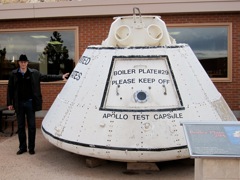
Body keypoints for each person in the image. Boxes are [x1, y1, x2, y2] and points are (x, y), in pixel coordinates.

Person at [7, 54, 69, 155]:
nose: (23, 64)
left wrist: (60, 77)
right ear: (19, 63)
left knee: (32, 126)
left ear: (27, 63)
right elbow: (10, 89)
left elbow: (46, 77)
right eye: (21, 62)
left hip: (30, 103)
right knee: (21, 126)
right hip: (19, 104)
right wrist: (9, 103)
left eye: (25, 62)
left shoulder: (34, 73)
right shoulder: (13, 74)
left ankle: (31, 148)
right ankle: (22, 148)